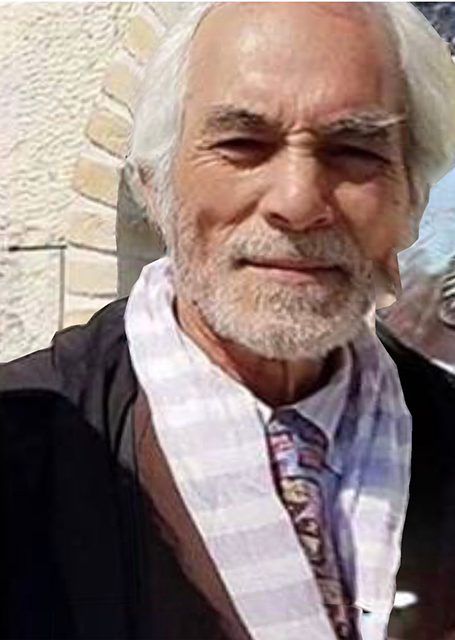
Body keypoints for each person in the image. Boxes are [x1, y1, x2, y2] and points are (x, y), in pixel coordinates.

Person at [1, 3, 455, 640]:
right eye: (243, 145)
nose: (297, 202)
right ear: (155, 186)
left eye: (353, 149)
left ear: (411, 198)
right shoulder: (26, 452)